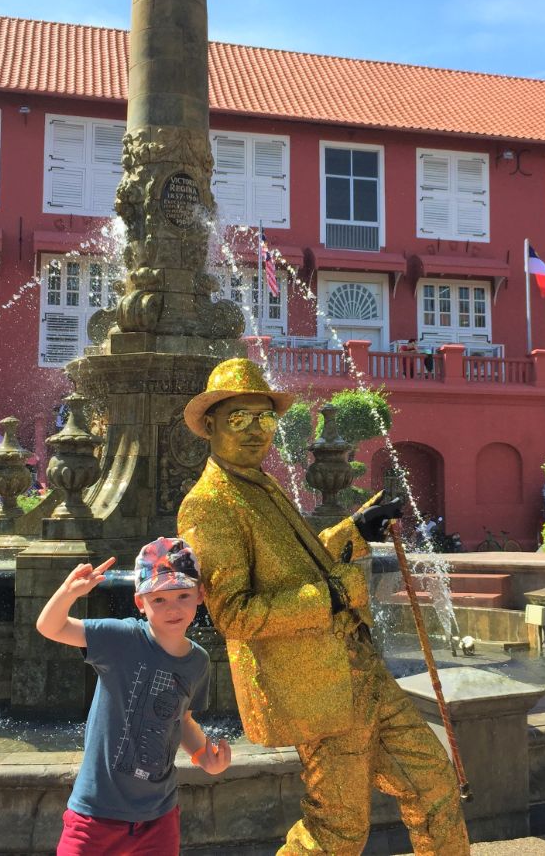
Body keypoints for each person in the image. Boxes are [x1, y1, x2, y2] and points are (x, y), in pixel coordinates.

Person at [178, 358, 469, 855]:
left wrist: (355, 529)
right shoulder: (210, 503)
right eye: (238, 419)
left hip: (362, 674)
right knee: (336, 832)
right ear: (209, 425)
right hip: (316, 691)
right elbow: (234, 614)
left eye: (264, 419)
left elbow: (300, 561)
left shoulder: (261, 483)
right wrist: (330, 596)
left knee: (437, 787)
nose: (254, 432)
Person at [35, 537, 232, 855]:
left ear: (201, 595)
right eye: (159, 600)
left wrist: (203, 756)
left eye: (183, 595)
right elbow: (50, 627)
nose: (173, 608)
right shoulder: (121, 639)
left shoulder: (198, 662)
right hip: (95, 814)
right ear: (141, 602)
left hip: (159, 817)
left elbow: (181, 719)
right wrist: (69, 593)